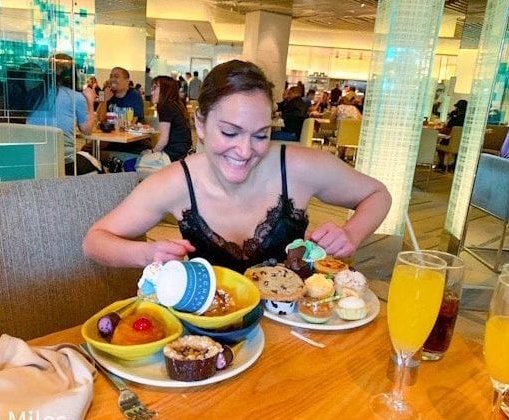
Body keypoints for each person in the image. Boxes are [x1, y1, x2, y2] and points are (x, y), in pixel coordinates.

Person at [82, 60, 391, 274]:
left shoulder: (297, 166)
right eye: (230, 132)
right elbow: (95, 241)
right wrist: (148, 254)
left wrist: (351, 234)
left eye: (261, 135)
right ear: (200, 125)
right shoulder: (177, 182)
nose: (245, 151)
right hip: (213, 340)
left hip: (294, 335)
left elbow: (378, 194)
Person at [27, 53, 96, 175]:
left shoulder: (34, 95)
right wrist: (90, 101)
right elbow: (87, 130)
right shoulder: (75, 97)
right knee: (97, 166)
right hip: (64, 162)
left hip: (34, 160)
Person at [146, 75, 192, 161]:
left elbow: (163, 140)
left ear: (165, 90)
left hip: (172, 156)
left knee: (132, 163)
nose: (151, 93)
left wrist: (152, 153)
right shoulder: (176, 105)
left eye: (154, 88)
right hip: (183, 153)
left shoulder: (165, 106)